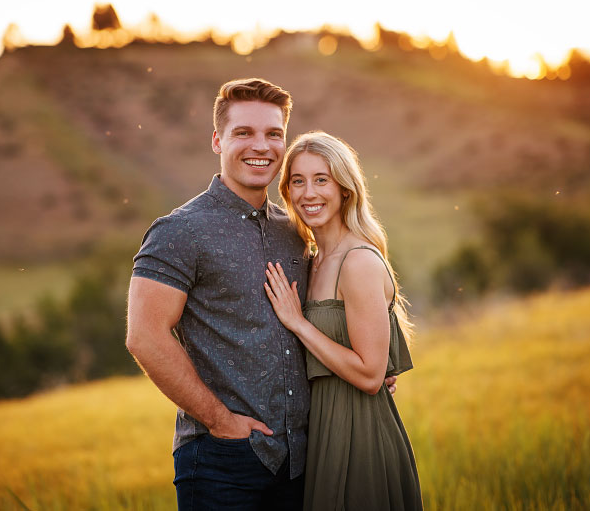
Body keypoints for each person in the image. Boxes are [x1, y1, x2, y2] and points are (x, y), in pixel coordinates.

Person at [127, 79, 396, 510]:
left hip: (305, 460)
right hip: (223, 460)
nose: (262, 146)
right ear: (217, 140)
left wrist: (366, 365)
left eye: (273, 134)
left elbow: (327, 315)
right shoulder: (179, 230)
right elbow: (145, 335)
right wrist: (221, 422)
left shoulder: (295, 231)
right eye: (244, 133)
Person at [263, 131, 423, 511]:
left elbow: (370, 376)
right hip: (323, 433)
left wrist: (298, 323)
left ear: (345, 189)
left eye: (322, 179)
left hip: (359, 433)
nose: (309, 193)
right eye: (298, 181)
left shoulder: (359, 261)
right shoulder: (314, 259)